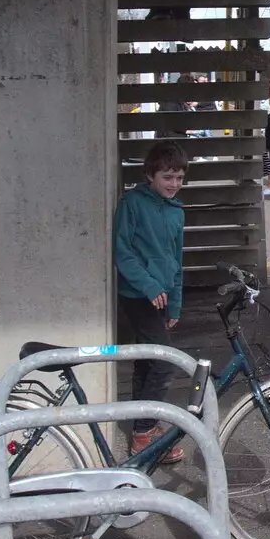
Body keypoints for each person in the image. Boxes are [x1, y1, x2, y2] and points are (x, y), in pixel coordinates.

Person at [113, 140, 187, 463]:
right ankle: (144, 431)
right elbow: (122, 252)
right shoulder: (131, 204)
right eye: (167, 177)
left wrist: (175, 303)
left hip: (161, 298)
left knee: (146, 362)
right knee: (164, 362)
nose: (173, 184)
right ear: (150, 175)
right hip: (138, 296)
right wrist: (149, 285)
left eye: (179, 178)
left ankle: (144, 428)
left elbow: (176, 260)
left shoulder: (177, 211)